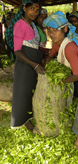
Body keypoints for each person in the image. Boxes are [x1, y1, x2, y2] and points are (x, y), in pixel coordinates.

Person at [43, 11, 78, 148]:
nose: (51, 34)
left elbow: (77, 75)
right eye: (49, 30)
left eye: (55, 30)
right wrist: (45, 65)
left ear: (65, 29)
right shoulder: (58, 42)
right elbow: (51, 55)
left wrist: (60, 81)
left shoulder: (69, 47)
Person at [5, 0, 45, 132]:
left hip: (32, 65)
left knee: (29, 93)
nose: (35, 12)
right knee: (22, 94)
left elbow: (33, 45)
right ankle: (25, 123)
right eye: (32, 8)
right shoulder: (20, 25)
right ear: (24, 8)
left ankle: (29, 118)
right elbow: (17, 51)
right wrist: (34, 65)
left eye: (37, 9)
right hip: (25, 65)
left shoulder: (32, 24)